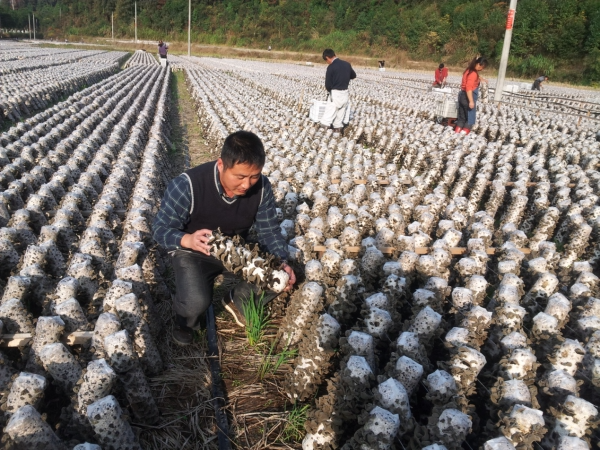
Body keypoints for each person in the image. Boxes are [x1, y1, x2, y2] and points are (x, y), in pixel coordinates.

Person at [153, 131, 297, 346]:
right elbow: (160, 229)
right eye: (240, 177)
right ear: (221, 164)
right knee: (196, 302)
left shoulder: (262, 187)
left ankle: (238, 299)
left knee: (282, 277)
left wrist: (282, 261)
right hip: (194, 251)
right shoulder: (187, 185)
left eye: (254, 176)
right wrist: (187, 240)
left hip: (235, 249)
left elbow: (269, 231)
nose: (247, 184)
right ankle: (186, 322)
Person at [320, 48, 356, 133]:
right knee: (339, 118)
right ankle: (337, 134)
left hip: (335, 93)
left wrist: (330, 92)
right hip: (345, 93)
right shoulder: (347, 64)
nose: (327, 62)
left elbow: (328, 84)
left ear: (327, 57)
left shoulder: (331, 67)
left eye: (326, 60)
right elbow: (353, 75)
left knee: (327, 117)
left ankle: (323, 134)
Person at [455, 56, 488, 135]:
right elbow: (469, 88)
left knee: (461, 118)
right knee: (470, 119)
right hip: (468, 96)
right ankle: (463, 135)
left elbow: (474, 76)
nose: (482, 69)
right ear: (478, 64)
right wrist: (471, 101)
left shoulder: (468, 70)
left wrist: (481, 79)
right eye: (482, 67)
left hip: (462, 96)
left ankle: (456, 134)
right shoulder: (473, 74)